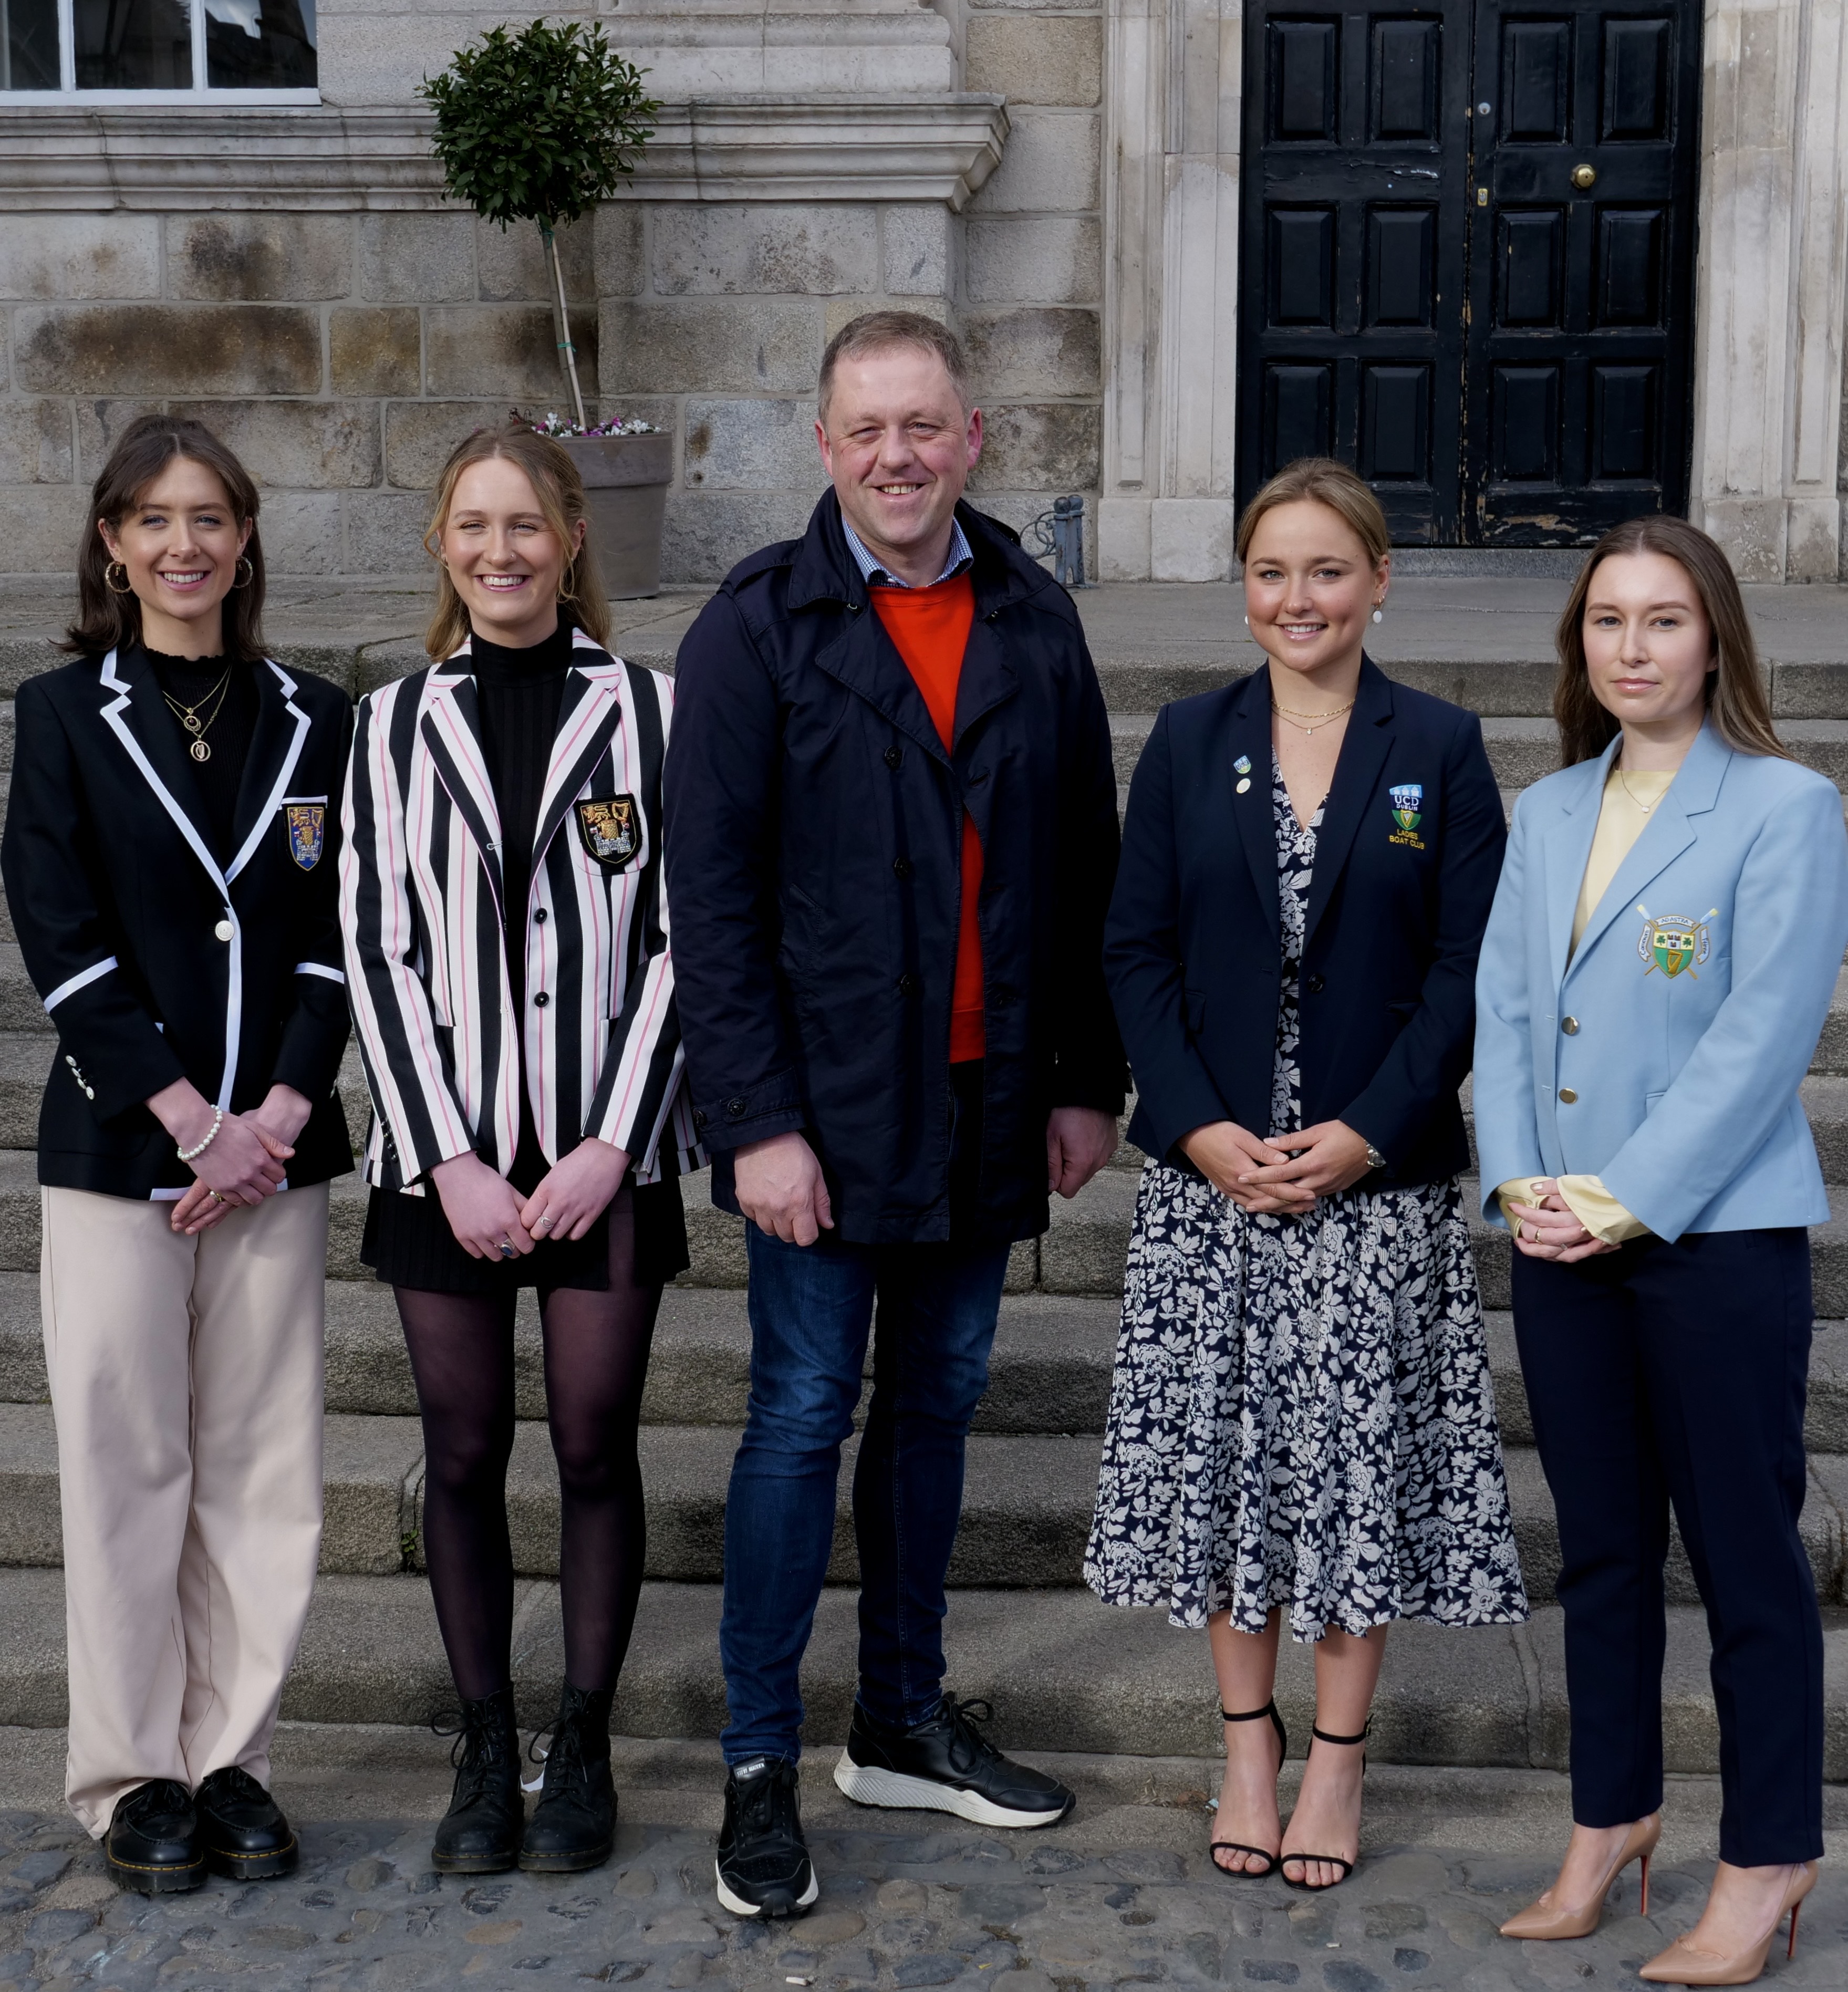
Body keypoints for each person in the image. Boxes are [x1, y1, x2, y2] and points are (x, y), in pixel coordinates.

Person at [665, 310, 1125, 1920]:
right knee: (800, 1422)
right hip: (825, 1117)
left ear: (976, 435)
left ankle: (904, 1721)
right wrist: (755, 1124)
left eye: (923, 426)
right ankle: (755, 1763)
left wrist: (1086, 1081)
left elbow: (1084, 873)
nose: (897, 457)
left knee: (938, 1410)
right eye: (867, 430)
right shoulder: (755, 629)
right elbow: (709, 907)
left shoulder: (1035, 614)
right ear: (824, 446)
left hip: (989, 1107)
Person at [1088, 458, 1527, 1892]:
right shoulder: (1187, 736)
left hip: (1371, 1188)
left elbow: (1471, 971)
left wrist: (1369, 1131)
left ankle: (1338, 1762)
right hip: (1216, 1190)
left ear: (1380, 581)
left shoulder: (1441, 748)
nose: (1298, 598)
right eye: (1272, 571)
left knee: (1349, 1477)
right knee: (1228, 1476)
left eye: (1328, 570)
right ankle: (1248, 1749)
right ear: (1245, 585)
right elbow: (1134, 950)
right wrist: (1201, 1129)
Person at [1476, 516, 1843, 1982]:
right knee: (1605, 1554)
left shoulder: (1786, 807)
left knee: (1745, 1556)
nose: (1632, 649)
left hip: (1713, 1239)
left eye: (1664, 621)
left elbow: (1762, 1045)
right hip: (1557, 1240)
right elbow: (1506, 1011)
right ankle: (1609, 1821)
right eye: (1608, 622)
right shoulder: (1549, 809)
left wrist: (1621, 1194)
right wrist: (1521, 1186)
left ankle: (1765, 1859)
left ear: (1717, 639)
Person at [339, 422, 699, 1878]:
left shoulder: (656, 714)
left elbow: (689, 938)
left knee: (599, 1445)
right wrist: (446, 1156)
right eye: (474, 527)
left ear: (571, 539)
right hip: (449, 1159)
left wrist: (616, 1141)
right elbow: (374, 949)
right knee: (466, 1450)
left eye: (527, 526)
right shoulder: (383, 724)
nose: (501, 551)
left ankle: (586, 1745)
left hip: (606, 1156)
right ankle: (487, 1745)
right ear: (442, 542)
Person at [1, 416, 354, 1892]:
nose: (185, 545)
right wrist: (187, 1117)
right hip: (118, 1150)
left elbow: (340, 937)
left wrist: (272, 1116)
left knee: (265, 1466)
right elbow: (59, 934)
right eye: (155, 520)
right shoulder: (65, 711)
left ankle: (232, 1760)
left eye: (210, 517)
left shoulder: (317, 714)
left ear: (246, 538)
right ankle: (132, 1769)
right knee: (123, 1457)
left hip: (275, 1152)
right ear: (112, 544)